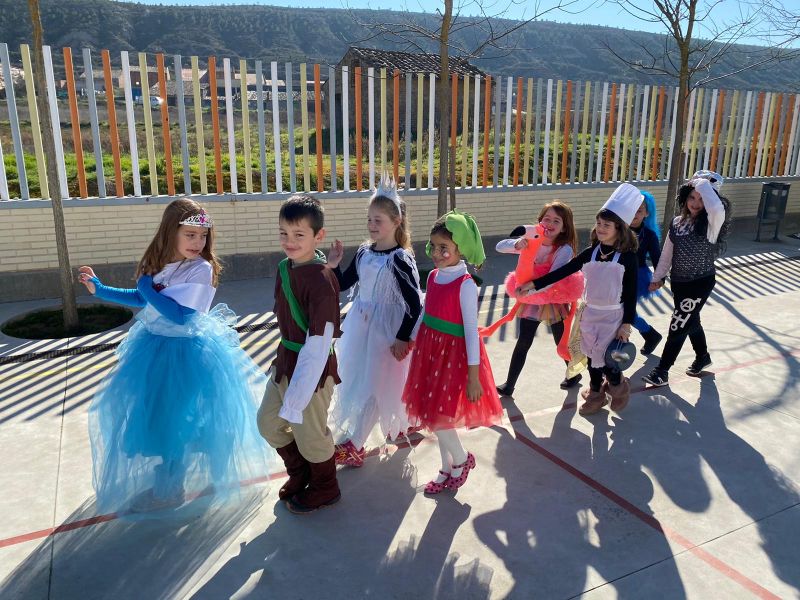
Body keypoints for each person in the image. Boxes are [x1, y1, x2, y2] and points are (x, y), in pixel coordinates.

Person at [79, 198, 271, 514]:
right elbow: (142, 297)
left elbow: (180, 315)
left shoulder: (201, 269)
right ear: (171, 233)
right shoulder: (164, 263)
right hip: (155, 347)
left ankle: (171, 489)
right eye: (190, 235)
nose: (198, 242)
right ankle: (174, 478)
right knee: (161, 417)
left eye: (203, 235)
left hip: (185, 353)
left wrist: (147, 288)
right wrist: (99, 289)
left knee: (176, 421)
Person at [402, 210, 503, 494]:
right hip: (429, 351)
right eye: (433, 246)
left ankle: (461, 459)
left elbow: (471, 332)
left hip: (453, 357)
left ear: (461, 249)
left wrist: (473, 376)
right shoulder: (433, 276)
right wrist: (412, 337)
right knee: (435, 413)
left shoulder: (466, 285)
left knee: (437, 416)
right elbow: (425, 311)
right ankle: (447, 467)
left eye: (444, 248)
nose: (436, 253)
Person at [326, 176, 422, 467]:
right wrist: (333, 265)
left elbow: (414, 303)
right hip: (361, 326)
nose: (371, 225)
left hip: (387, 331)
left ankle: (356, 444)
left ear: (396, 221)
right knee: (363, 380)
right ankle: (404, 422)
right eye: (369, 219)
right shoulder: (365, 252)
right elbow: (344, 284)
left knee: (377, 384)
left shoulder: (400, 259)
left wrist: (402, 337)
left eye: (378, 220)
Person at [520, 184, 641, 415]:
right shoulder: (590, 253)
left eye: (607, 225)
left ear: (619, 228)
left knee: (606, 359)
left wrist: (626, 324)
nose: (601, 228)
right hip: (589, 314)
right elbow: (561, 272)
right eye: (599, 224)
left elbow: (631, 293)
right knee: (591, 357)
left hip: (612, 316)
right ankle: (596, 394)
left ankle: (617, 385)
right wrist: (534, 285)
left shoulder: (627, 258)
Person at [256, 193, 343, 514]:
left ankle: (326, 486)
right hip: (285, 361)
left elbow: (319, 342)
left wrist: (299, 393)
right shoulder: (285, 268)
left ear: (318, 236)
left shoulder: (322, 282)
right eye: (283, 233)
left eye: (298, 234)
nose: (289, 241)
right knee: (267, 423)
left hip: (312, 370)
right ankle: (300, 471)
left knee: (311, 436)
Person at [643, 171, 731, 387]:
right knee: (691, 320)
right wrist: (658, 277)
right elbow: (667, 254)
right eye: (692, 197)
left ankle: (662, 370)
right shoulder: (677, 222)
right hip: (679, 283)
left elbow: (716, 208)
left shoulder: (712, 223)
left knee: (679, 323)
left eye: (702, 199)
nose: (696, 203)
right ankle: (703, 357)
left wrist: (701, 184)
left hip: (700, 282)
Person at [495, 201, 580, 394]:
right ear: (539, 221)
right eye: (546, 219)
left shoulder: (563, 249)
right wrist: (517, 244)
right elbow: (500, 246)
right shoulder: (532, 239)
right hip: (531, 299)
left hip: (551, 298)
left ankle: (574, 373)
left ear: (564, 227)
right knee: (524, 341)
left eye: (556, 221)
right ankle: (509, 385)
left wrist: (528, 292)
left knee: (560, 342)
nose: (550, 224)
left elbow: (552, 278)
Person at [630, 191, 663, 354]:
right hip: (615, 275)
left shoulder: (649, 235)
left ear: (647, 213)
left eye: (639, 210)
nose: (634, 214)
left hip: (637, 277)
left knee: (625, 312)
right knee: (621, 312)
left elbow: (658, 259)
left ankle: (649, 334)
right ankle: (650, 335)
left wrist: (660, 279)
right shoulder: (617, 229)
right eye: (631, 209)